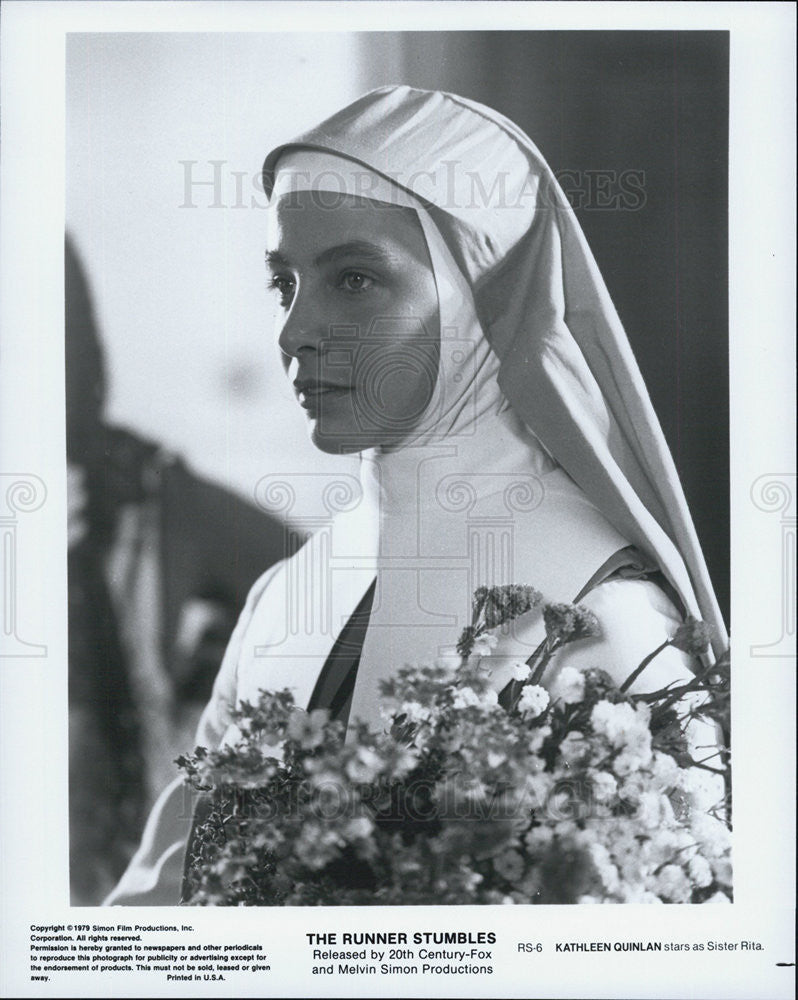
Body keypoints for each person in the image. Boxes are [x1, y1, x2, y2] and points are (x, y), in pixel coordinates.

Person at [105, 85, 727, 906]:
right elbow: (169, 898)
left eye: (355, 279)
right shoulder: (284, 596)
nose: (295, 331)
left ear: (486, 300)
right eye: (283, 283)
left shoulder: (600, 608)